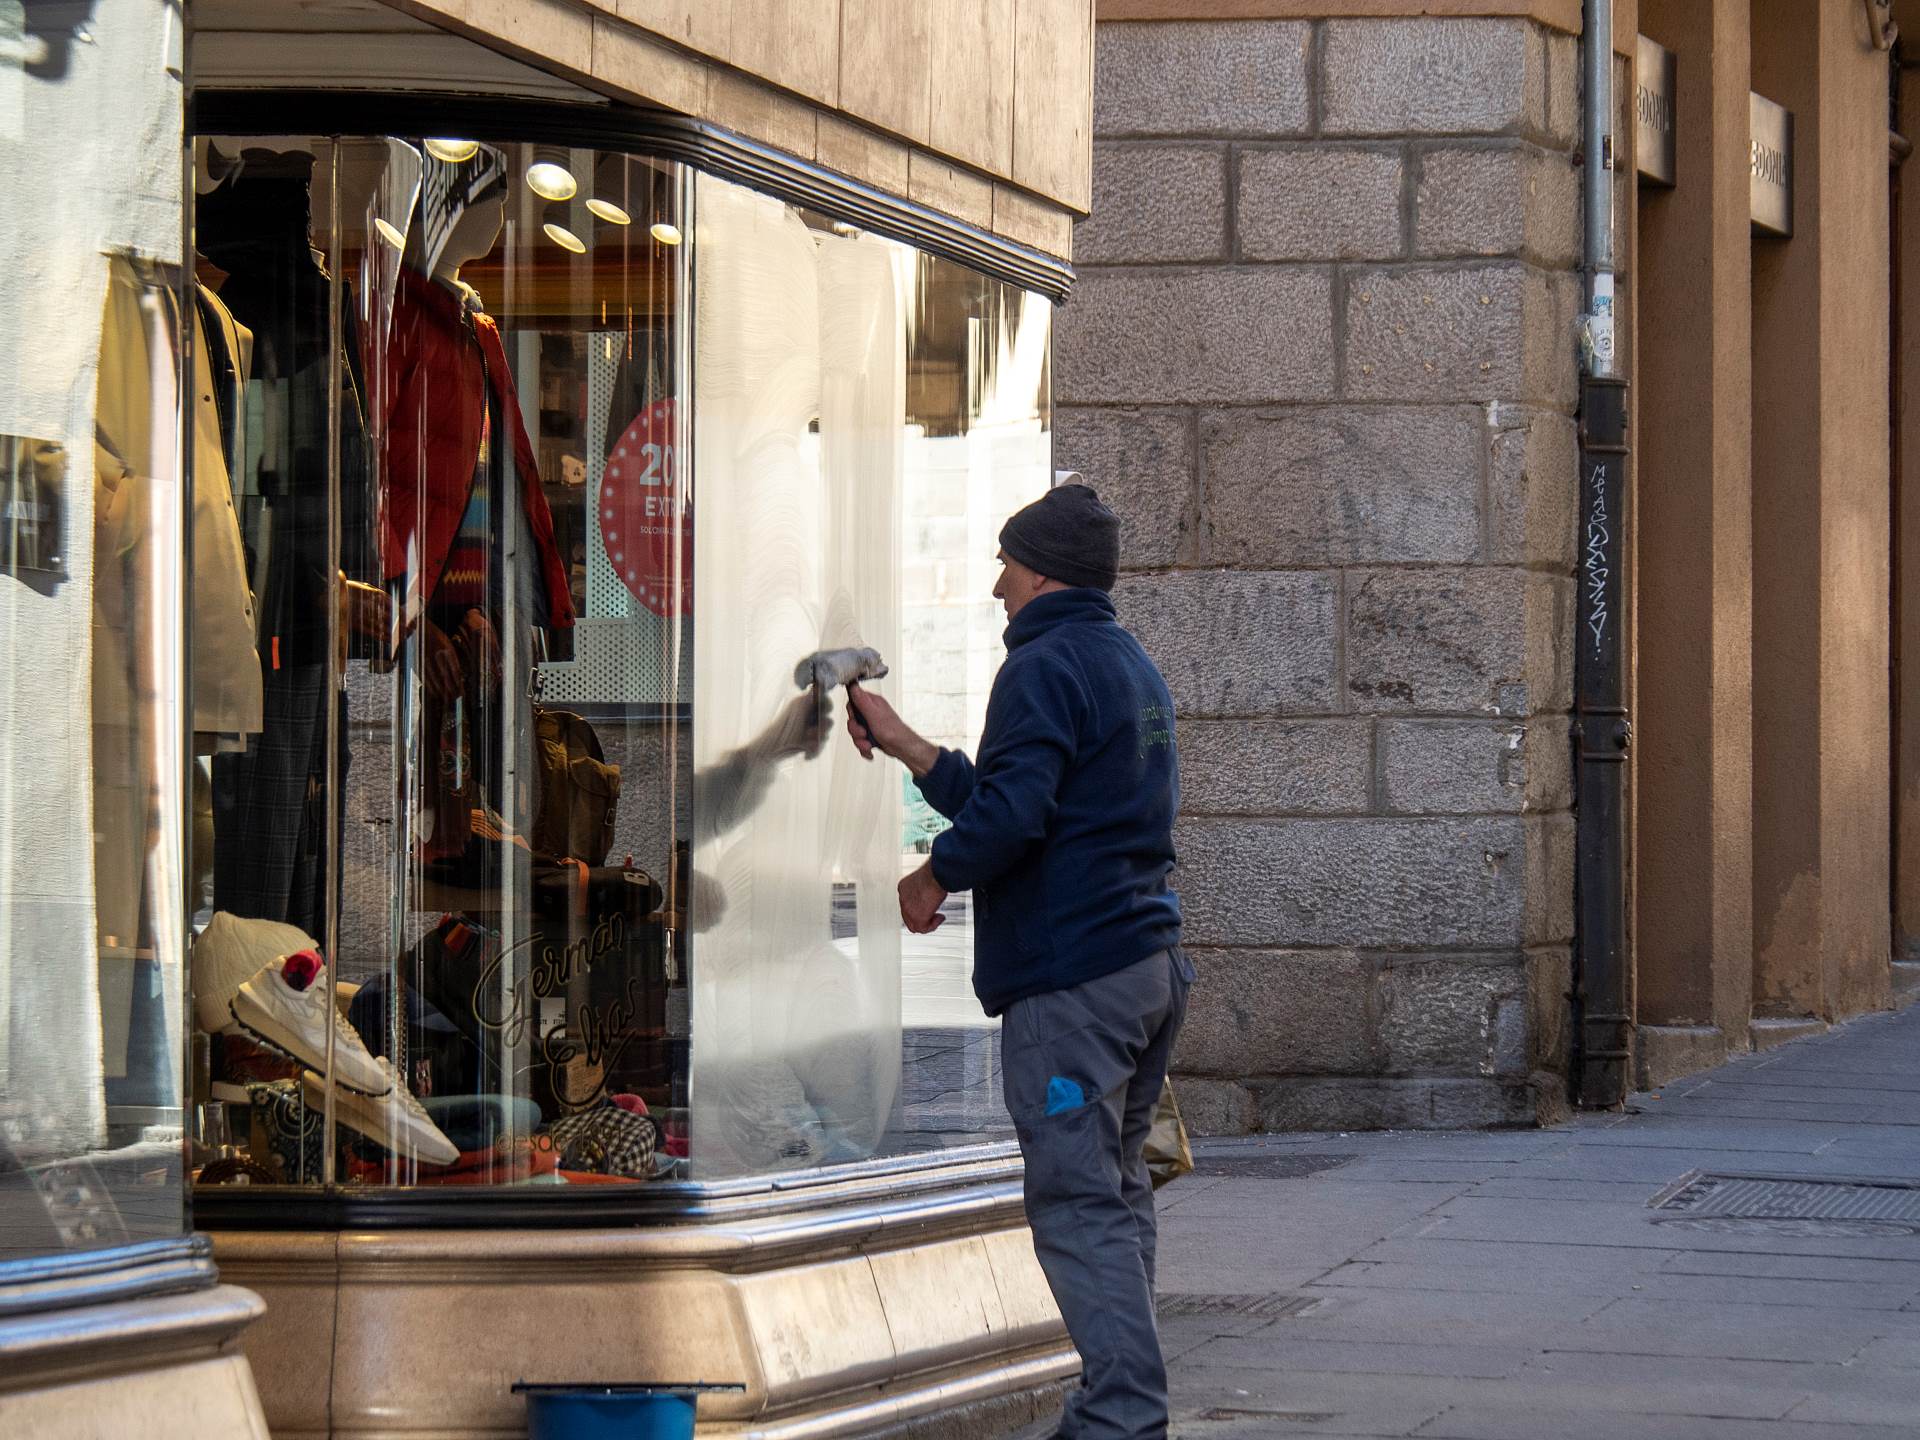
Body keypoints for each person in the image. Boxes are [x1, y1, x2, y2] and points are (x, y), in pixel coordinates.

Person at [846, 477, 1191, 1440]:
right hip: (1142, 966)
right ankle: (1116, 1401)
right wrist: (911, 744)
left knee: (1080, 1203)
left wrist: (933, 876)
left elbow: (1012, 816)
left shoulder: (1042, 668)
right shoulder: (1125, 661)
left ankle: (1122, 1415)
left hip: (1073, 982)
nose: (997, 582)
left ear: (1040, 572)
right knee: (1115, 1194)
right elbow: (1031, 798)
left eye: (1006, 562)